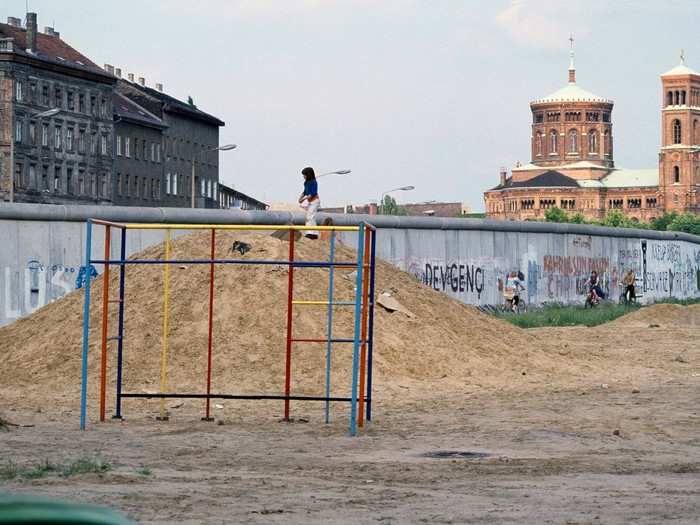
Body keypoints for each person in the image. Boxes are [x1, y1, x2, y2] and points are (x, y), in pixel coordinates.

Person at [299, 167, 320, 239]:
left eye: (304, 175)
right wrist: (300, 198)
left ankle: (312, 233)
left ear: (308, 175)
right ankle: (310, 232)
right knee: (308, 216)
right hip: (310, 201)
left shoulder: (314, 182)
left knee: (311, 216)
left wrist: (304, 199)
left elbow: (313, 193)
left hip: (314, 201)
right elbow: (305, 191)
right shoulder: (306, 182)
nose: (303, 176)